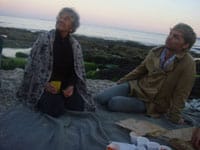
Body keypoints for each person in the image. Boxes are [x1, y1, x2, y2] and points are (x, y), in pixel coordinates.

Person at [95, 23, 196, 124]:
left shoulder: (188, 64)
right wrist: (120, 83)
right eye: (170, 34)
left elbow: (182, 93)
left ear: (185, 45)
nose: (169, 38)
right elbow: (140, 70)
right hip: (136, 87)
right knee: (99, 98)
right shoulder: (155, 51)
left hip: (151, 101)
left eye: (176, 37)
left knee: (113, 103)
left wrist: (175, 117)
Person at [17, 7, 95, 117]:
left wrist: (71, 86)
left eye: (66, 18)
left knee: (79, 106)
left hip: (65, 85)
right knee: (55, 110)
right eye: (60, 17)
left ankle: (60, 98)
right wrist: (45, 84)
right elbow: (33, 66)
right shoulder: (44, 39)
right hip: (45, 84)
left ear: (72, 27)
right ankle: (51, 99)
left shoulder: (75, 45)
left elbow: (76, 70)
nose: (61, 20)